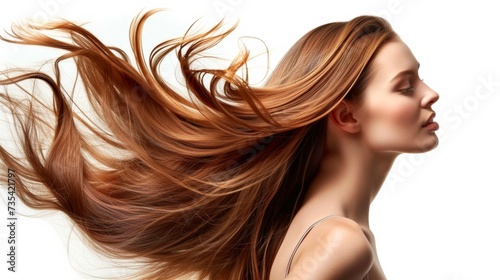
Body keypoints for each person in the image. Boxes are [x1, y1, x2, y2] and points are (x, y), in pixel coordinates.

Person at [0, 9, 439, 280]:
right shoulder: (340, 240)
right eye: (405, 86)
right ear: (346, 115)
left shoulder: (321, 229)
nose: (430, 94)